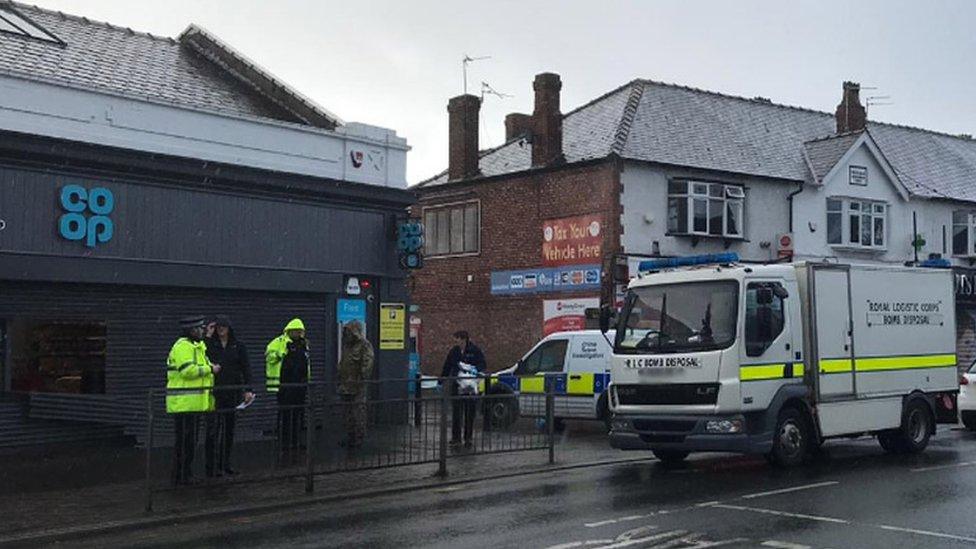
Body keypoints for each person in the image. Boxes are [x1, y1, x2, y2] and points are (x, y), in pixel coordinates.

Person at [166, 315, 220, 485]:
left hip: (193, 403)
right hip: (184, 403)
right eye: (199, 328)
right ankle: (180, 476)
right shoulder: (182, 347)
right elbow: (187, 371)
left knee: (190, 442)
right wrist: (210, 368)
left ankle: (185, 474)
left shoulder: (198, 347)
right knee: (184, 442)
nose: (202, 331)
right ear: (191, 330)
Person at [204, 315, 254, 477]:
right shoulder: (210, 345)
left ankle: (225, 464)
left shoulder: (238, 346)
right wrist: (207, 336)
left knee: (229, 430)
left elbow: (246, 368)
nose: (221, 330)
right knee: (213, 430)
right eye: (218, 327)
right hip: (215, 392)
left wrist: (248, 389)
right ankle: (211, 467)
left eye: (223, 327)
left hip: (232, 393)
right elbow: (200, 354)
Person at [266, 318, 310, 452]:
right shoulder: (279, 342)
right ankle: (284, 442)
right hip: (285, 385)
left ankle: (296, 441)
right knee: (285, 415)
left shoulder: (304, 344)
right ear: (289, 331)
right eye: (296, 331)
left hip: (300, 386)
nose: (298, 334)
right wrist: (281, 354)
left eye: (300, 331)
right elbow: (269, 356)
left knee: (299, 416)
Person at [440, 330, 487, 448]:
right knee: (456, 412)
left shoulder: (474, 350)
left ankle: (468, 438)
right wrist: (441, 380)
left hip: (469, 386)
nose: (456, 341)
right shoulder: (454, 351)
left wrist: (474, 369)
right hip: (457, 384)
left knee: (469, 413)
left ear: (463, 339)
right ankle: (456, 438)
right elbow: (447, 365)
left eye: (457, 339)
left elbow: (482, 364)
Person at [337, 320, 375, 447]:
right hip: (345, 384)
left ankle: (359, 437)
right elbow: (343, 363)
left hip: (357, 384)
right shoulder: (346, 345)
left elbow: (368, 362)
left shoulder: (364, 345)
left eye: (349, 331)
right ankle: (350, 436)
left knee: (358, 411)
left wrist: (363, 378)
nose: (347, 334)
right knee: (347, 412)